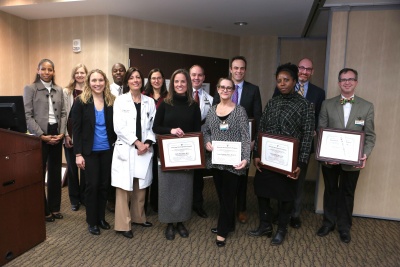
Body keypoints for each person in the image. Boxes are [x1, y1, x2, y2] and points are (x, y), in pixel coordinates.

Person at [249, 63, 314, 246]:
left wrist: (300, 164)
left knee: (286, 195)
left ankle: (282, 229)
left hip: (289, 161)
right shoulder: (272, 102)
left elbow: (308, 136)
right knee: (261, 189)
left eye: (286, 80)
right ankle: (265, 225)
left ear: (294, 81)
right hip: (268, 158)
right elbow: (261, 129)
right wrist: (256, 153)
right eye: (279, 80)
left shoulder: (305, 105)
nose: (282, 84)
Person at [316, 68, 376, 244]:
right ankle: (328, 223)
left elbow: (370, 136)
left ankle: (344, 227)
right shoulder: (327, 104)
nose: (347, 82)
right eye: (343, 79)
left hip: (353, 162)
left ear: (356, 82)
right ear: (339, 83)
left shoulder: (367, 106)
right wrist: (324, 154)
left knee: (348, 193)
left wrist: (364, 154)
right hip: (330, 160)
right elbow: (321, 131)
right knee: (330, 190)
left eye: (350, 79)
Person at [273, 58, 325, 229]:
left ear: (312, 72)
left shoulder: (318, 93)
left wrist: (314, 129)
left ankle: (294, 214)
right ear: (296, 72)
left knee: (298, 180)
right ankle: (281, 212)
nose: (304, 71)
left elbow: (318, 116)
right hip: (283, 144)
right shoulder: (282, 87)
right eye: (301, 68)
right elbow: (275, 111)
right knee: (280, 179)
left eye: (308, 69)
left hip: (303, 145)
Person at [153, 69, 201, 241]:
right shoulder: (165, 103)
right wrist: (171, 130)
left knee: (184, 190)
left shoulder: (194, 106)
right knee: (167, 190)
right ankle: (169, 224)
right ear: (172, 84)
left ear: (188, 83)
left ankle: (181, 222)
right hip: (167, 156)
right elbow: (156, 128)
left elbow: (197, 131)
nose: (179, 85)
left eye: (183, 81)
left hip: (187, 156)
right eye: (176, 82)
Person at [213, 56, 262, 224]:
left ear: (245, 70)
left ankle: (241, 209)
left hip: (243, 142)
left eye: (242, 68)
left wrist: (253, 140)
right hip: (222, 143)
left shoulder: (253, 90)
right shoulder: (221, 88)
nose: (238, 71)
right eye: (235, 68)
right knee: (223, 178)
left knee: (241, 178)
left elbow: (258, 116)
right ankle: (226, 210)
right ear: (231, 69)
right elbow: (214, 115)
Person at [203, 78, 250, 247]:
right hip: (216, 161)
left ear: (233, 91)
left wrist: (246, 158)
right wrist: (206, 142)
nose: (225, 90)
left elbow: (246, 137)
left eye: (229, 88)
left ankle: (222, 231)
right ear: (217, 89)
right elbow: (206, 131)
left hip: (234, 163)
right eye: (222, 87)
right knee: (222, 195)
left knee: (229, 197)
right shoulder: (212, 110)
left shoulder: (240, 111)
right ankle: (229, 224)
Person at [112, 67, 156, 239]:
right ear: (127, 81)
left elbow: (154, 125)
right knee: (124, 188)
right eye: (132, 78)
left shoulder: (149, 101)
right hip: (127, 147)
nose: (136, 80)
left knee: (141, 185)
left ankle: (138, 217)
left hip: (144, 149)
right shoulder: (120, 101)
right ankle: (123, 224)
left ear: (142, 80)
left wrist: (146, 143)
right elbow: (119, 127)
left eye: (138, 77)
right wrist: (137, 143)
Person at [71, 69, 116, 235]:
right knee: (92, 186)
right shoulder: (81, 101)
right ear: (89, 82)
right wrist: (78, 154)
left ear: (105, 82)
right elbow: (76, 130)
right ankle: (91, 221)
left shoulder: (111, 101)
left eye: (101, 80)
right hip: (89, 152)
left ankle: (101, 218)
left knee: (104, 186)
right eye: (94, 80)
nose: (97, 83)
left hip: (107, 151)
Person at [23, 58, 66, 222]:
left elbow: (63, 113)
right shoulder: (30, 88)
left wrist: (61, 133)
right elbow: (28, 116)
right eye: (44, 69)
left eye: (50, 70)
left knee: (55, 173)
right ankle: (44, 208)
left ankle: (55, 208)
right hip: (40, 136)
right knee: (39, 174)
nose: (47, 72)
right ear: (38, 70)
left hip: (56, 134)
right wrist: (41, 135)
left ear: (54, 72)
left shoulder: (59, 89)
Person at [142, 68, 168, 213]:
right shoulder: (144, 96)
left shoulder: (169, 97)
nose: (156, 81)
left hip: (163, 140)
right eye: (153, 78)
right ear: (149, 80)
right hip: (147, 140)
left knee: (159, 173)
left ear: (163, 80)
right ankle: (143, 205)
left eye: (159, 78)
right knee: (146, 172)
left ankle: (157, 204)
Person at [63, 63, 88, 211]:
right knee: (72, 169)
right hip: (70, 133)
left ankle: (84, 197)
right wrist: (66, 135)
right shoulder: (67, 91)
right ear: (74, 75)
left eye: (82, 72)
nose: (80, 75)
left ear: (86, 74)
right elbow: (63, 115)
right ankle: (74, 199)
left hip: (85, 136)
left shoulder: (90, 90)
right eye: (77, 72)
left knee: (85, 168)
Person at [190, 64, 213, 218]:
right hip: (183, 141)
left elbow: (209, 124)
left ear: (203, 78)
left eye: (200, 75)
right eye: (193, 75)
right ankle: (183, 205)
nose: (196, 78)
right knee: (183, 176)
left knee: (198, 177)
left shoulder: (210, 100)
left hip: (200, 143)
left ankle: (198, 204)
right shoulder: (181, 95)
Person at [108, 63, 126, 212]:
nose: (118, 72)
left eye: (121, 70)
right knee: (111, 169)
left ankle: (123, 201)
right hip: (110, 135)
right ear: (112, 73)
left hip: (126, 136)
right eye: (115, 70)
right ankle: (111, 200)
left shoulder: (129, 89)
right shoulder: (107, 90)